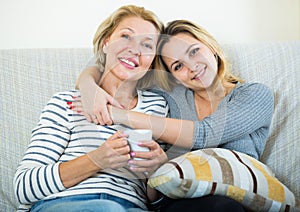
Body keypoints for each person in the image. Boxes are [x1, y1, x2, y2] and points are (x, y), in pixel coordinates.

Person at [74, 19, 274, 211]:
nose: (192, 66)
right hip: (179, 201)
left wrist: (118, 114)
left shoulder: (254, 94)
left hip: (235, 198)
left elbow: (205, 133)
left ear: (211, 46)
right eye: (178, 66)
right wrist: (88, 87)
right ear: (174, 76)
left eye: (194, 51)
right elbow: (106, 68)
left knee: (222, 207)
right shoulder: (172, 94)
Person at [13, 5, 169, 212]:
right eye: (125, 36)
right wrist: (97, 159)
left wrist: (157, 172)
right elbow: (23, 187)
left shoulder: (158, 106)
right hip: (65, 203)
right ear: (106, 43)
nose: (135, 49)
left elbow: (157, 203)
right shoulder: (66, 102)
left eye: (147, 45)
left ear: (151, 63)